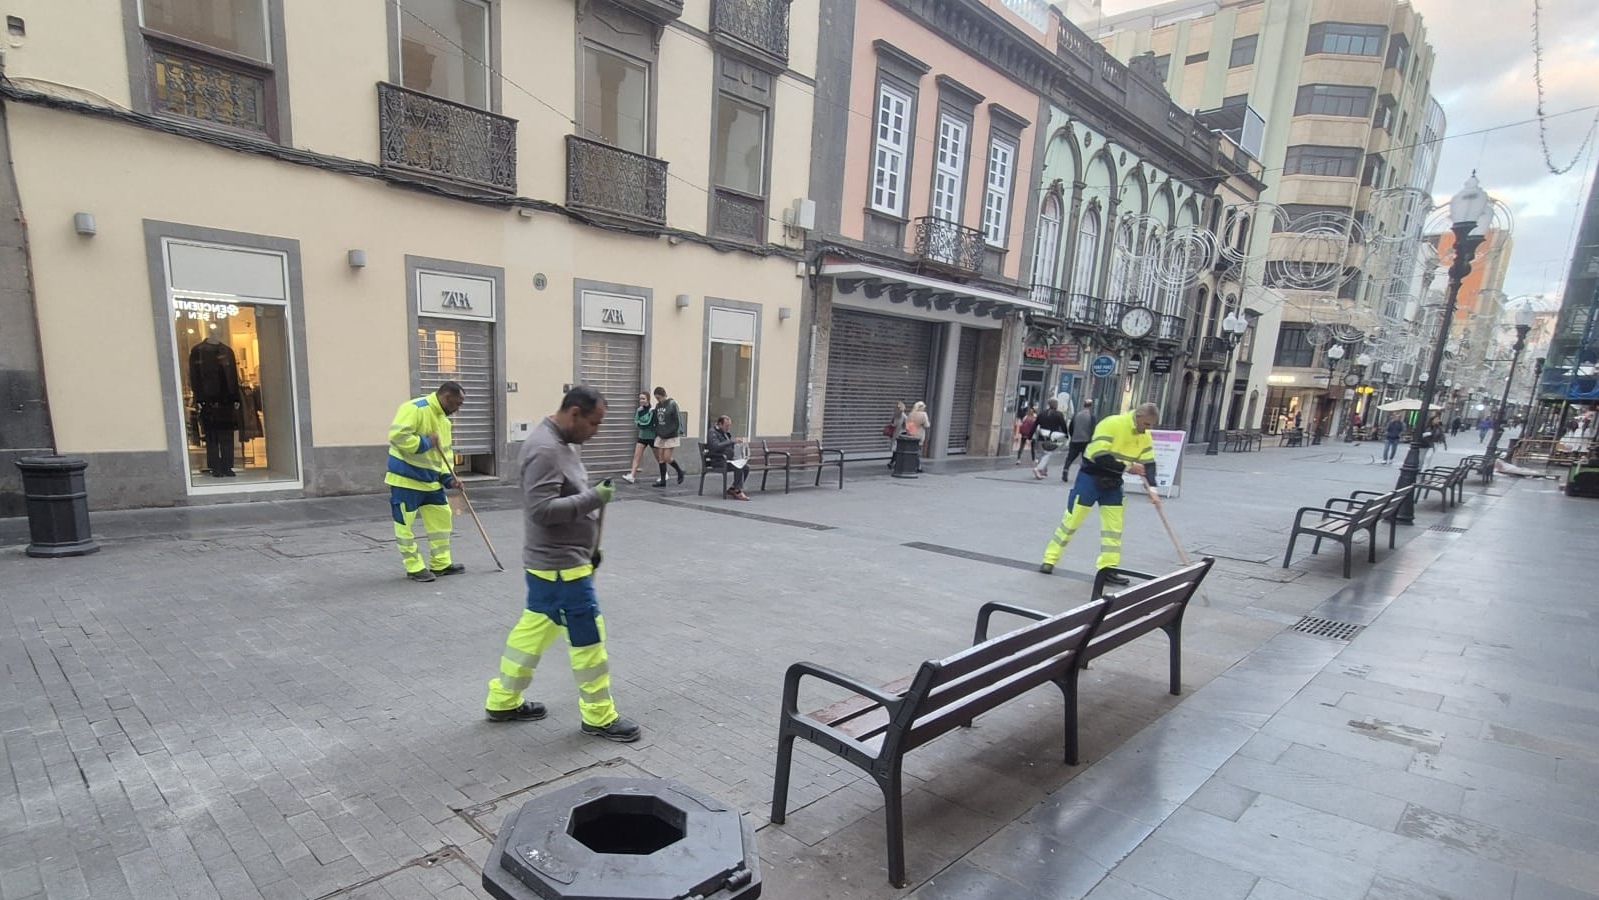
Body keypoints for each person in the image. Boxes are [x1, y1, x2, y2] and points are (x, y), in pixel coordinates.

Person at [482, 385, 640, 742]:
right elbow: (541, 511)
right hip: (561, 570)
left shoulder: (562, 443)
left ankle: (502, 699)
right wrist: (594, 498)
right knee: (589, 644)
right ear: (574, 414)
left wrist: (589, 542)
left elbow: (563, 498)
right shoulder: (546, 450)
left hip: (557, 565)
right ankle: (599, 716)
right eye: (594, 423)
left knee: (532, 634)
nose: (596, 431)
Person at [1039, 402, 1157, 584]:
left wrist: (1153, 489)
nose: (1148, 429)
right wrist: (1128, 466)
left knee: (1113, 529)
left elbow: (1149, 464)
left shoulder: (1145, 436)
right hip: (1091, 478)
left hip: (1113, 483)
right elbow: (1099, 456)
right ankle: (1049, 559)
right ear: (1138, 417)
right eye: (1147, 424)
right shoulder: (1112, 424)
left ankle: (1108, 570)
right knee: (1071, 521)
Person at [386, 381, 466, 582]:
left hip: (431, 482)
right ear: (446, 397)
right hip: (406, 480)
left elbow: (445, 455)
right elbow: (397, 436)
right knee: (405, 526)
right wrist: (426, 442)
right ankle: (414, 567)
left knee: (441, 519)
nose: (459, 408)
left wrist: (449, 479)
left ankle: (441, 564)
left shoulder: (445, 422)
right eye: (458, 403)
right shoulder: (415, 408)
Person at [705, 415, 751, 501]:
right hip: (718, 460)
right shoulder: (712, 432)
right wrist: (731, 441)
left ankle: (733, 488)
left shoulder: (725, 433)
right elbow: (715, 446)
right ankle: (738, 491)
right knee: (738, 466)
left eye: (729, 425)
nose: (728, 428)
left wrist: (738, 445)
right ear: (720, 424)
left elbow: (728, 445)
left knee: (746, 467)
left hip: (728, 460)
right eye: (726, 426)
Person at [651, 386, 685, 486]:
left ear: (664, 395)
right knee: (660, 458)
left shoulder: (672, 404)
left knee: (667, 457)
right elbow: (657, 420)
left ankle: (680, 471)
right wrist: (657, 430)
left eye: (659, 398)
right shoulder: (658, 406)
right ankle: (663, 480)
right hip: (661, 434)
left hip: (671, 434)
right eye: (656, 398)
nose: (658, 400)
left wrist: (676, 430)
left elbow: (677, 420)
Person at [1031, 399, 1070, 479]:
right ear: (1056, 405)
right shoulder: (1059, 414)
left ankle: (1043, 471)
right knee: (1048, 453)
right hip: (1052, 437)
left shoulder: (1042, 414)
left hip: (1041, 436)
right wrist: (1066, 435)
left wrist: (1030, 435)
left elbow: (1035, 425)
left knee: (1041, 453)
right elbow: (1063, 426)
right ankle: (1038, 469)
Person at [623, 392, 654, 484]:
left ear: (648, 399)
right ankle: (632, 476)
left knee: (659, 457)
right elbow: (636, 421)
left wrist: (641, 423)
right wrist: (640, 424)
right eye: (640, 399)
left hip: (652, 436)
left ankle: (664, 474)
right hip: (642, 437)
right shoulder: (639, 410)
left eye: (643, 398)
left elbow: (649, 423)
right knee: (636, 456)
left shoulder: (652, 410)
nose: (641, 400)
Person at [1062, 399, 1096, 482]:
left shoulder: (1076, 415)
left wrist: (1072, 435)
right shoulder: (1092, 416)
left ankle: (1065, 471)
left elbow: (1071, 427)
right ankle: (1082, 476)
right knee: (1085, 459)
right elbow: (1093, 429)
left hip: (1075, 440)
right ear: (1091, 406)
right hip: (1086, 441)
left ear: (1084, 405)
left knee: (1070, 458)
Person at [902, 401, 931, 473]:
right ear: (921, 408)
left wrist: (912, 432)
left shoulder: (911, 414)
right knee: (917, 452)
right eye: (924, 407)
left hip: (911, 434)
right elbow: (927, 425)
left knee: (911, 451)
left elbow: (907, 425)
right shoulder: (923, 414)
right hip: (919, 436)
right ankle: (918, 467)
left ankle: (911, 465)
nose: (924, 409)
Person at [887, 401, 908, 469]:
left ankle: (893, 462)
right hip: (896, 435)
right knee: (895, 450)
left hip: (900, 435)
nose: (897, 409)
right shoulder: (896, 416)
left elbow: (907, 426)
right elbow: (893, 424)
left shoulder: (903, 416)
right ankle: (893, 462)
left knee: (896, 450)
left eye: (898, 408)